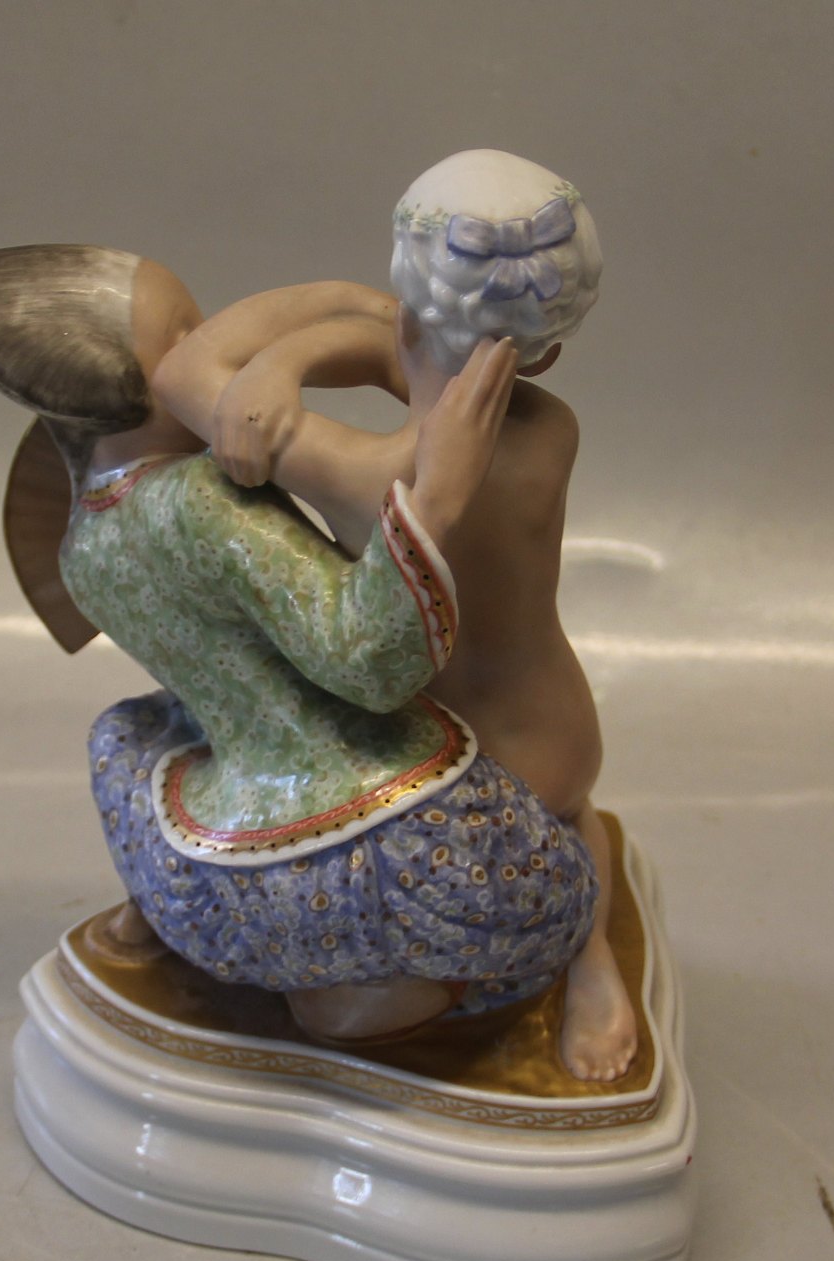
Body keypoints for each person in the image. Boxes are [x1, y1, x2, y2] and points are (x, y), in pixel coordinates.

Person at [0, 243, 600, 1045]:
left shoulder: (80, 542)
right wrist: (434, 500)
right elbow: (369, 662)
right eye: (185, 332)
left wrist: (338, 321)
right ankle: (369, 984)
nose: (216, 338)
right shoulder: (201, 501)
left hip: (214, 852)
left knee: (130, 732)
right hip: (360, 847)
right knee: (545, 892)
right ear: (123, 391)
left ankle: (180, 919)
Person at [153, 150, 637, 1081]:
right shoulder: (554, 428)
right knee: (572, 814)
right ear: (551, 349)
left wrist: (297, 343)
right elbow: (404, 354)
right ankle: (594, 958)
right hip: (558, 730)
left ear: (406, 309)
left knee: (373, 938)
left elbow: (183, 371)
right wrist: (331, 344)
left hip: (442, 752)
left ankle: (545, 957)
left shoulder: (365, 473)